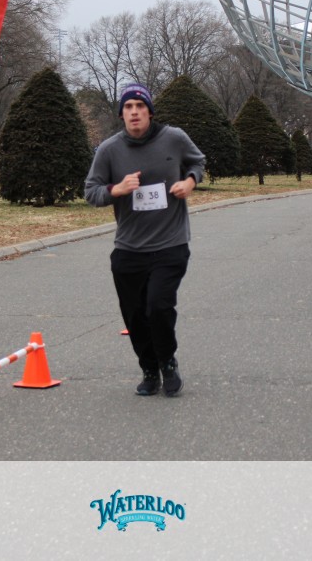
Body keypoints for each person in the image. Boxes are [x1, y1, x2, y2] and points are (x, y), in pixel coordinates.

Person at [84, 84, 206, 397]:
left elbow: (198, 162)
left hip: (170, 243)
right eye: (128, 107)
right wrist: (116, 189)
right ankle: (149, 369)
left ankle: (167, 362)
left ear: (150, 112)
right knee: (135, 315)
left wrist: (189, 182)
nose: (134, 112)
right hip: (129, 248)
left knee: (158, 306)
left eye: (140, 106)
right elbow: (90, 192)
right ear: (121, 114)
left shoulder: (174, 138)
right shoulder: (109, 150)